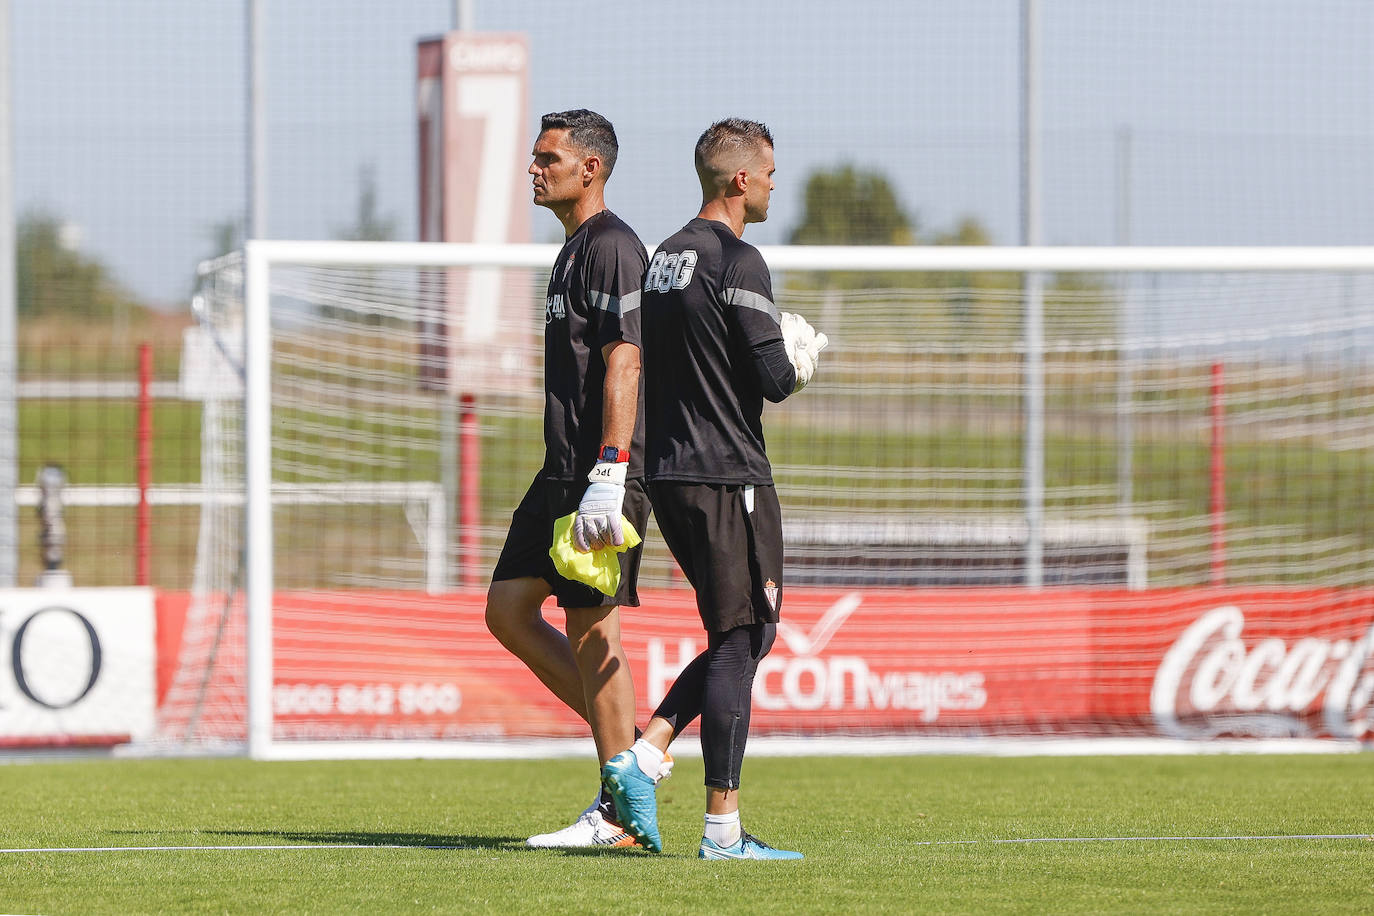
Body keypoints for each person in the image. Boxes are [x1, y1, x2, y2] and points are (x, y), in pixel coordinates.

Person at [600, 118, 826, 860]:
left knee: (742, 634)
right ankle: (720, 828)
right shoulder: (739, 260)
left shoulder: (663, 258)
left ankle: (649, 752)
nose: (771, 185)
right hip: (729, 474)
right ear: (740, 179)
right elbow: (772, 379)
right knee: (741, 639)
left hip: (669, 472)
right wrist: (800, 358)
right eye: (767, 173)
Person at [485, 109, 668, 849]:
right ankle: (634, 752)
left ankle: (621, 810)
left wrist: (611, 470)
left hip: (602, 468)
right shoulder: (570, 251)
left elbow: (627, 356)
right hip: (560, 468)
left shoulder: (615, 246)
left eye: (547, 157)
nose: (534, 168)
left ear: (589, 168)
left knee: (594, 631)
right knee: (508, 611)